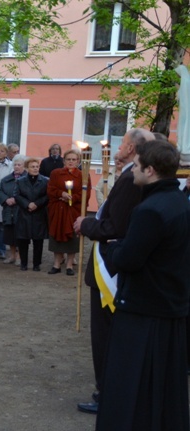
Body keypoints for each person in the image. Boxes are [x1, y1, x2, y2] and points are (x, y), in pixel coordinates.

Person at [95, 139, 190, 431]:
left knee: (131, 384)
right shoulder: (178, 201)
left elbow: (130, 260)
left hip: (143, 309)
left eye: (136, 166)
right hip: (169, 306)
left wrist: (112, 248)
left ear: (150, 170)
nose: (131, 169)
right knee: (162, 387)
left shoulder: (149, 209)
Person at [72, 127, 155, 414]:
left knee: (106, 335)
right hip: (118, 264)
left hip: (111, 267)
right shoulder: (135, 175)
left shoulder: (135, 178)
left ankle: (106, 392)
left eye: (122, 145)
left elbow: (114, 227)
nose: (118, 150)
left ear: (131, 148)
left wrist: (87, 225)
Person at [46, 149, 86, 276]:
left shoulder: (83, 175)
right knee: (57, 234)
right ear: (64, 161)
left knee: (72, 236)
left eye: (74, 159)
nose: (71, 162)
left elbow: (86, 193)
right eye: (68, 159)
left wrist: (73, 198)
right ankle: (56, 264)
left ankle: (69, 265)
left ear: (78, 161)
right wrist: (61, 194)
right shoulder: (55, 173)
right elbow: (50, 189)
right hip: (58, 209)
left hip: (73, 210)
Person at [15, 158, 49, 271]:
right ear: (26, 168)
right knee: (23, 240)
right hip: (24, 213)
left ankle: (36, 264)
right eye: (32, 166)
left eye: (36, 166)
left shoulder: (45, 181)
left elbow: (47, 196)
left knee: (38, 240)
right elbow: (17, 195)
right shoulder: (20, 181)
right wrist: (27, 204)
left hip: (39, 213)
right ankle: (23, 263)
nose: (35, 168)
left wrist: (37, 204)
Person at [0, 155, 26, 264]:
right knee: (10, 234)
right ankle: (12, 255)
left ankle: (19, 256)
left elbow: (29, 194)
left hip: (21, 211)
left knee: (20, 235)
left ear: (24, 166)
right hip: (9, 210)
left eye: (19, 165)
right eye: (15, 165)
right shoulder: (6, 179)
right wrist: (6, 199)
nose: (17, 167)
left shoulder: (27, 179)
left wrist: (17, 199)